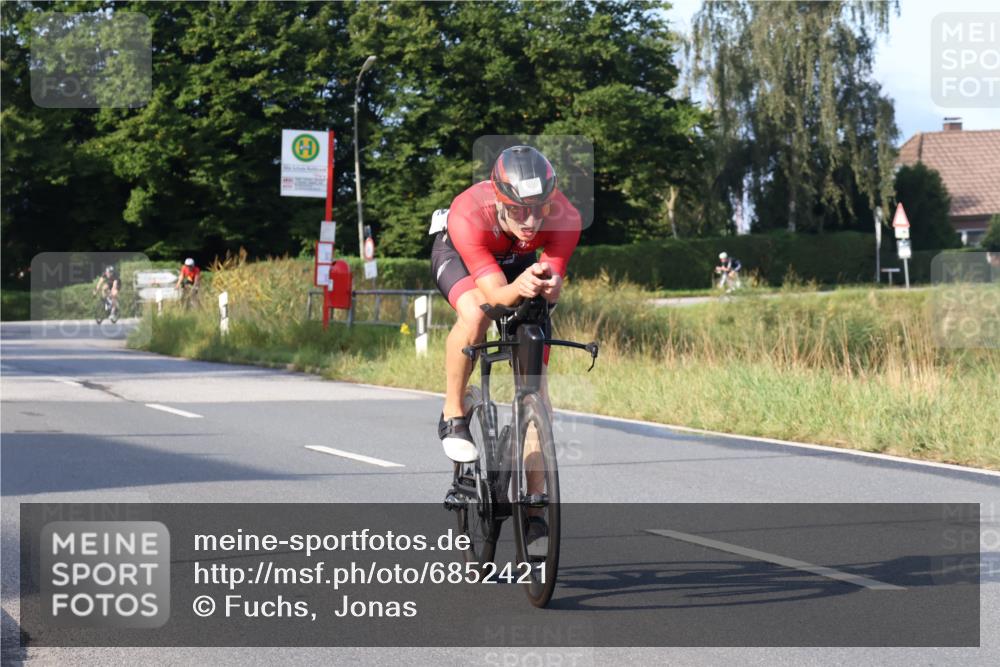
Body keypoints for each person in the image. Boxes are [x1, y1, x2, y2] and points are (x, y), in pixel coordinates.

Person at [431, 146, 582, 463]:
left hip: (517, 261)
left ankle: (536, 503)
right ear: (499, 200)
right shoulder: (468, 214)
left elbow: (551, 277)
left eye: (540, 209)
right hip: (461, 257)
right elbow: (496, 294)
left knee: (538, 396)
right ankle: (453, 413)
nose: (530, 221)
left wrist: (550, 286)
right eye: (517, 210)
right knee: (476, 314)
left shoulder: (566, 217)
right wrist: (519, 287)